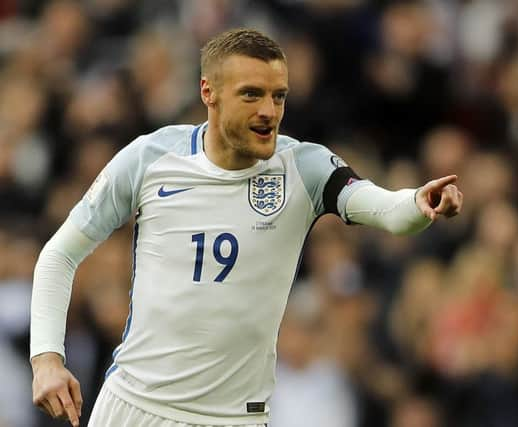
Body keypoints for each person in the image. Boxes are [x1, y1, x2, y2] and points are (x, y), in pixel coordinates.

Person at [30, 28, 463, 427]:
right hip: (137, 408)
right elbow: (59, 253)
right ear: (209, 92)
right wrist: (46, 357)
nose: (268, 111)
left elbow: (382, 207)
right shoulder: (150, 158)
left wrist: (417, 201)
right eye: (251, 94)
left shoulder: (303, 168)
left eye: (279, 96)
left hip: (236, 418)